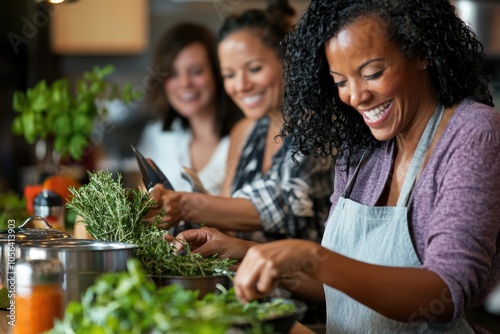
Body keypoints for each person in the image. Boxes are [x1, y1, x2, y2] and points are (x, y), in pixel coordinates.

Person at [171, 0, 500, 332]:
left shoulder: (473, 132)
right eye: (340, 82)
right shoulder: (361, 148)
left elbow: (444, 292)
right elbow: (339, 291)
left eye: (372, 73)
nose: (356, 96)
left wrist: (316, 256)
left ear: (421, 53)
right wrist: (240, 251)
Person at [145, 0, 334, 244]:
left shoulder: (317, 123)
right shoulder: (244, 131)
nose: (241, 85)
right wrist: (187, 227)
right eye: (230, 75)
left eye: (254, 68)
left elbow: (290, 205)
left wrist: (184, 204)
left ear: (287, 59)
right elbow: (228, 225)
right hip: (243, 279)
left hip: (305, 280)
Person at [136, 23, 243, 195]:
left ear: (217, 72)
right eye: (173, 74)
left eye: (196, 71)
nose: (185, 83)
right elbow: (144, 199)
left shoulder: (246, 137)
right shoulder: (158, 136)